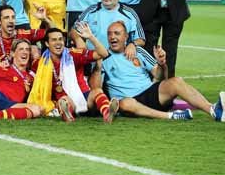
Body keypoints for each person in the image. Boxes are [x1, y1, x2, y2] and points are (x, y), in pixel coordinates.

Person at [86, 20, 223, 122]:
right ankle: (171, 116)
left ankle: (212, 109)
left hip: (151, 93)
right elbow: (96, 88)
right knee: (125, 104)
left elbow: (160, 76)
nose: (112, 37)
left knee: (176, 81)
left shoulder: (138, 51)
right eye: (109, 34)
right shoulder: (104, 57)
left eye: (117, 33)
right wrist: (98, 66)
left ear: (126, 36)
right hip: (129, 101)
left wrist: (162, 64)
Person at [29, 27, 117, 123]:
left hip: (83, 96)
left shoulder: (73, 54)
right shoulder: (39, 63)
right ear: (47, 43)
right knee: (64, 101)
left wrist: (91, 37)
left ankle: (107, 112)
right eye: (54, 40)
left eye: (60, 39)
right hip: (63, 99)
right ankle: (68, 114)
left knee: (97, 91)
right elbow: (32, 80)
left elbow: (103, 54)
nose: (58, 43)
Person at [71, 0, 145, 53]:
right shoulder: (90, 11)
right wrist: (78, 40)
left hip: (118, 58)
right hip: (93, 57)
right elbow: (73, 30)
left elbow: (141, 39)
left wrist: (133, 44)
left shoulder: (129, 13)